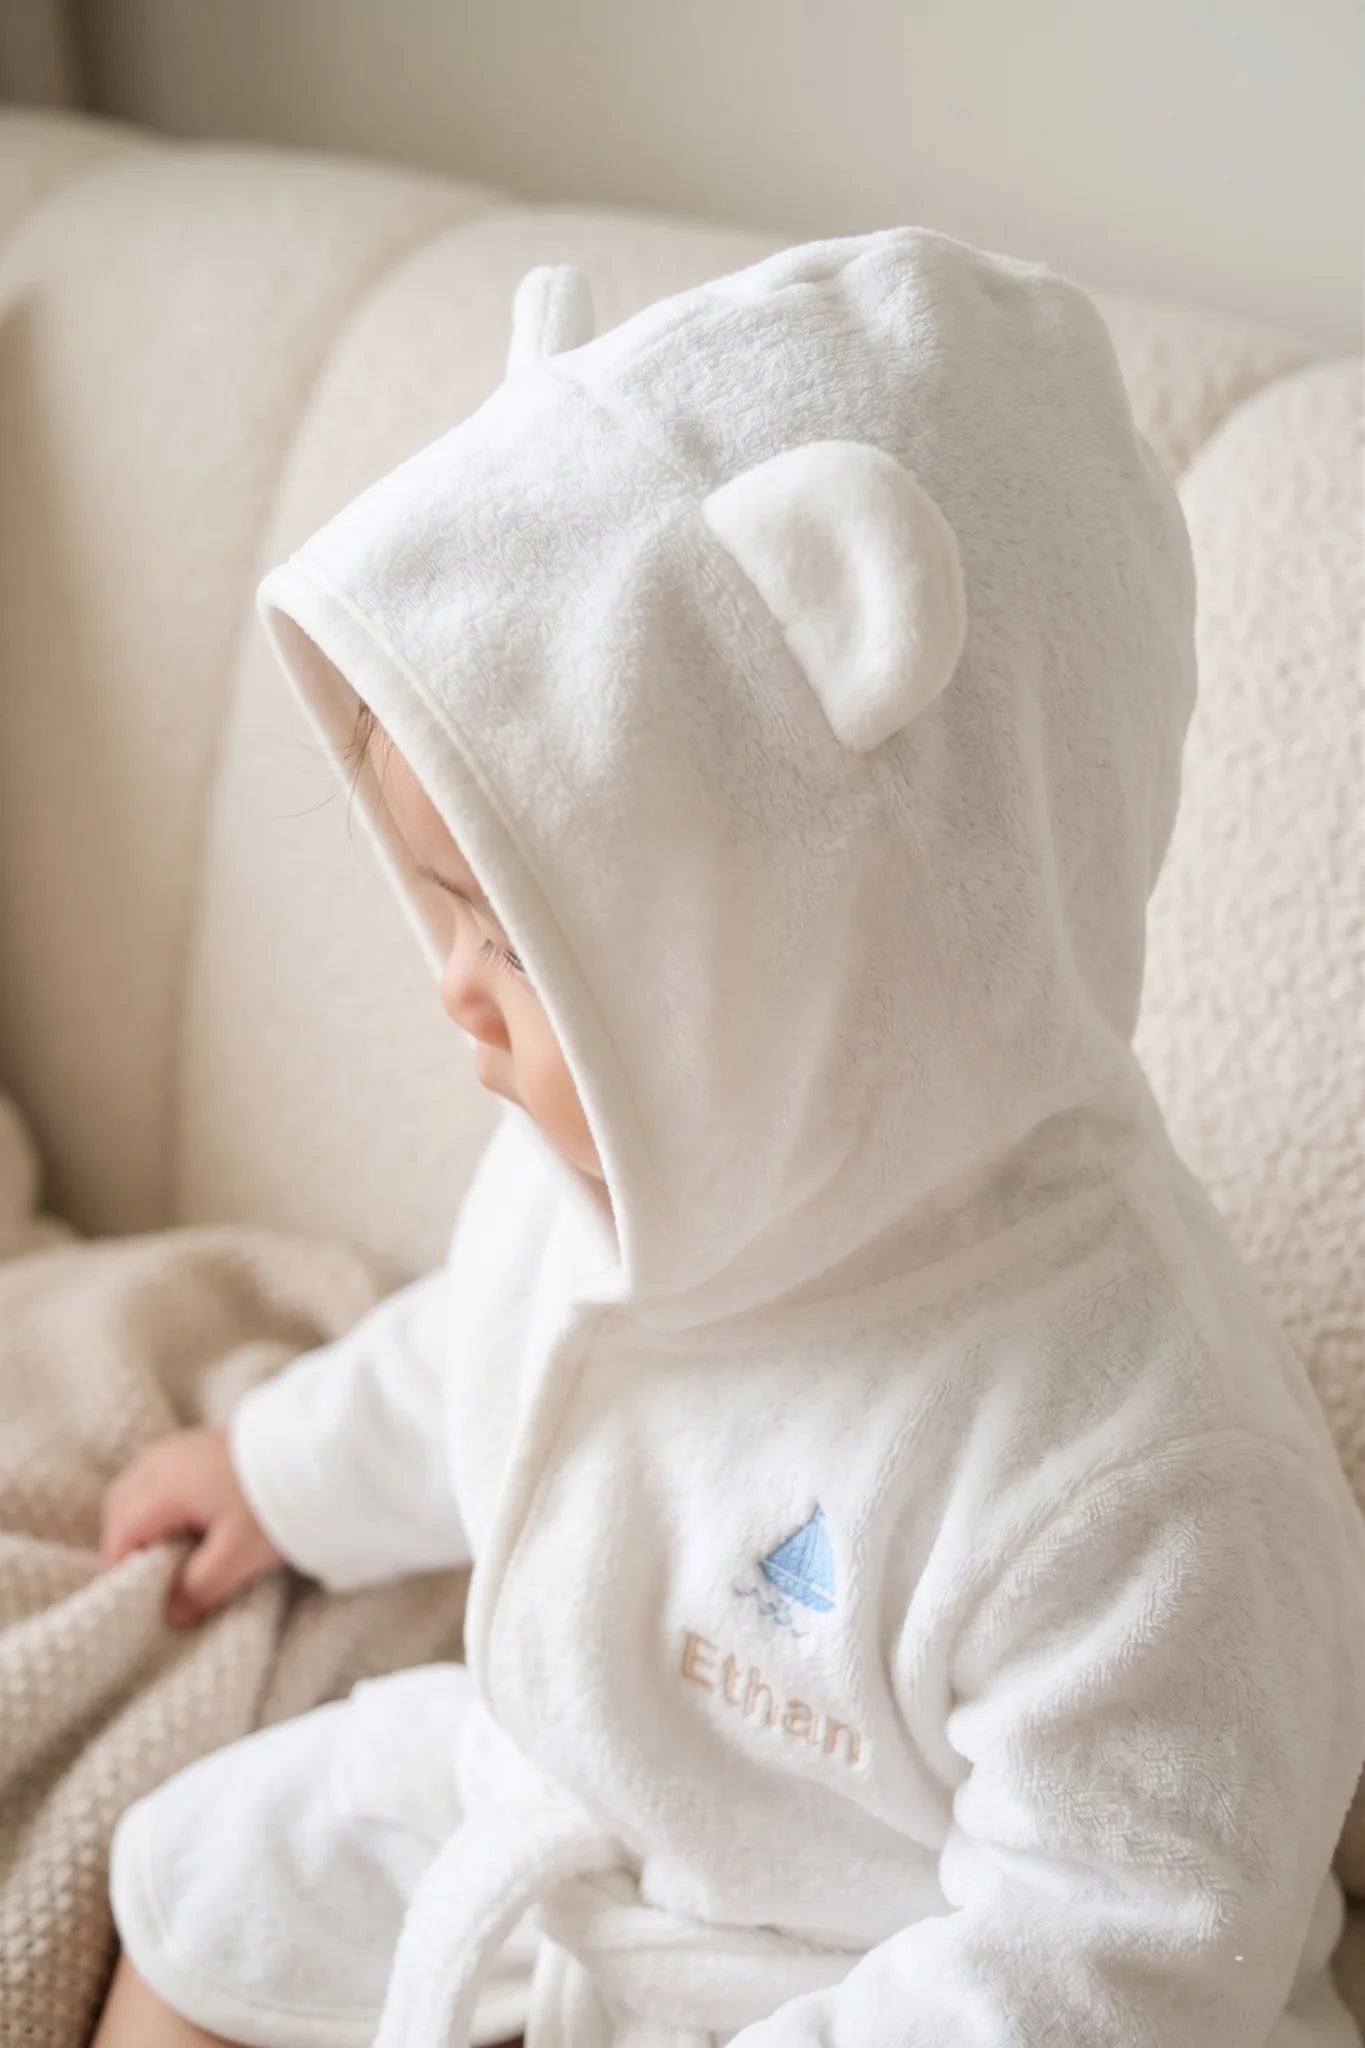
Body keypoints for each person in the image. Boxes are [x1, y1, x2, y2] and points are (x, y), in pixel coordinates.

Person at [92, 232, 1365, 2048]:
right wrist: (278, 1470)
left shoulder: (1136, 1482)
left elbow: (1114, 1959)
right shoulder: (608, 1163)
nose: (454, 994)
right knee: (209, 1889)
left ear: (821, 960)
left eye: (522, 942)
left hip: (864, 1972)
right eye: (448, 911)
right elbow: (474, 1356)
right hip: (562, 1810)